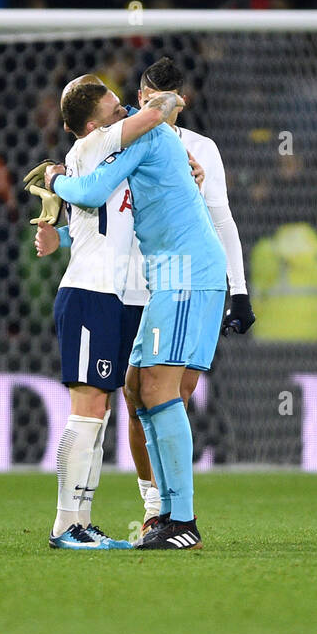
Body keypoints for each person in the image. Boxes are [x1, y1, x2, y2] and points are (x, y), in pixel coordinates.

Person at [37, 85, 228, 551]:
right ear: (92, 123)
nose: (123, 106)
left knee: (135, 395)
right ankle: (72, 523)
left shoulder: (120, 148)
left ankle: (167, 515)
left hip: (141, 288)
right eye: (113, 102)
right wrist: (54, 185)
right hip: (93, 290)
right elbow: (94, 193)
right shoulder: (99, 145)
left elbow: (114, 213)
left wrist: (188, 169)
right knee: (109, 401)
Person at [120, 57, 253, 534]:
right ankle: (156, 506)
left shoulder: (202, 150)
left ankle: (177, 515)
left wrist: (239, 290)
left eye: (159, 98)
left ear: (180, 102)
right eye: (143, 96)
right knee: (135, 394)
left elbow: (222, 220)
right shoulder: (125, 141)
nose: (148, 105)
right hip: (134, 282)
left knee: (171, 391)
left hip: (184, 280)